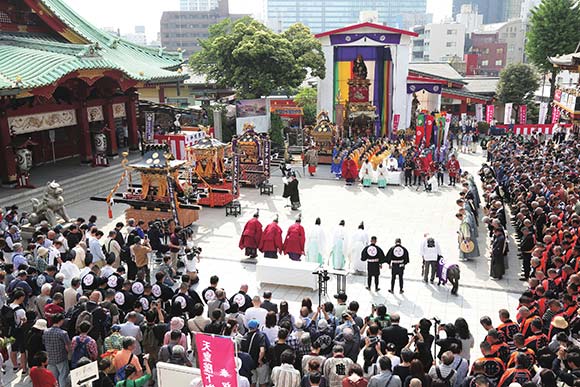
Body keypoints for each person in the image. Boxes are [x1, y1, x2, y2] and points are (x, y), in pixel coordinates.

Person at [42, 313, 70, 387]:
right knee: (63, 376)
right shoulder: (63, 333)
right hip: (61, 358)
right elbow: (67, 346)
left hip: (50, 358)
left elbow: (44, 343)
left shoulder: (45, 332)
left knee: (53, 378)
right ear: (60, 321)